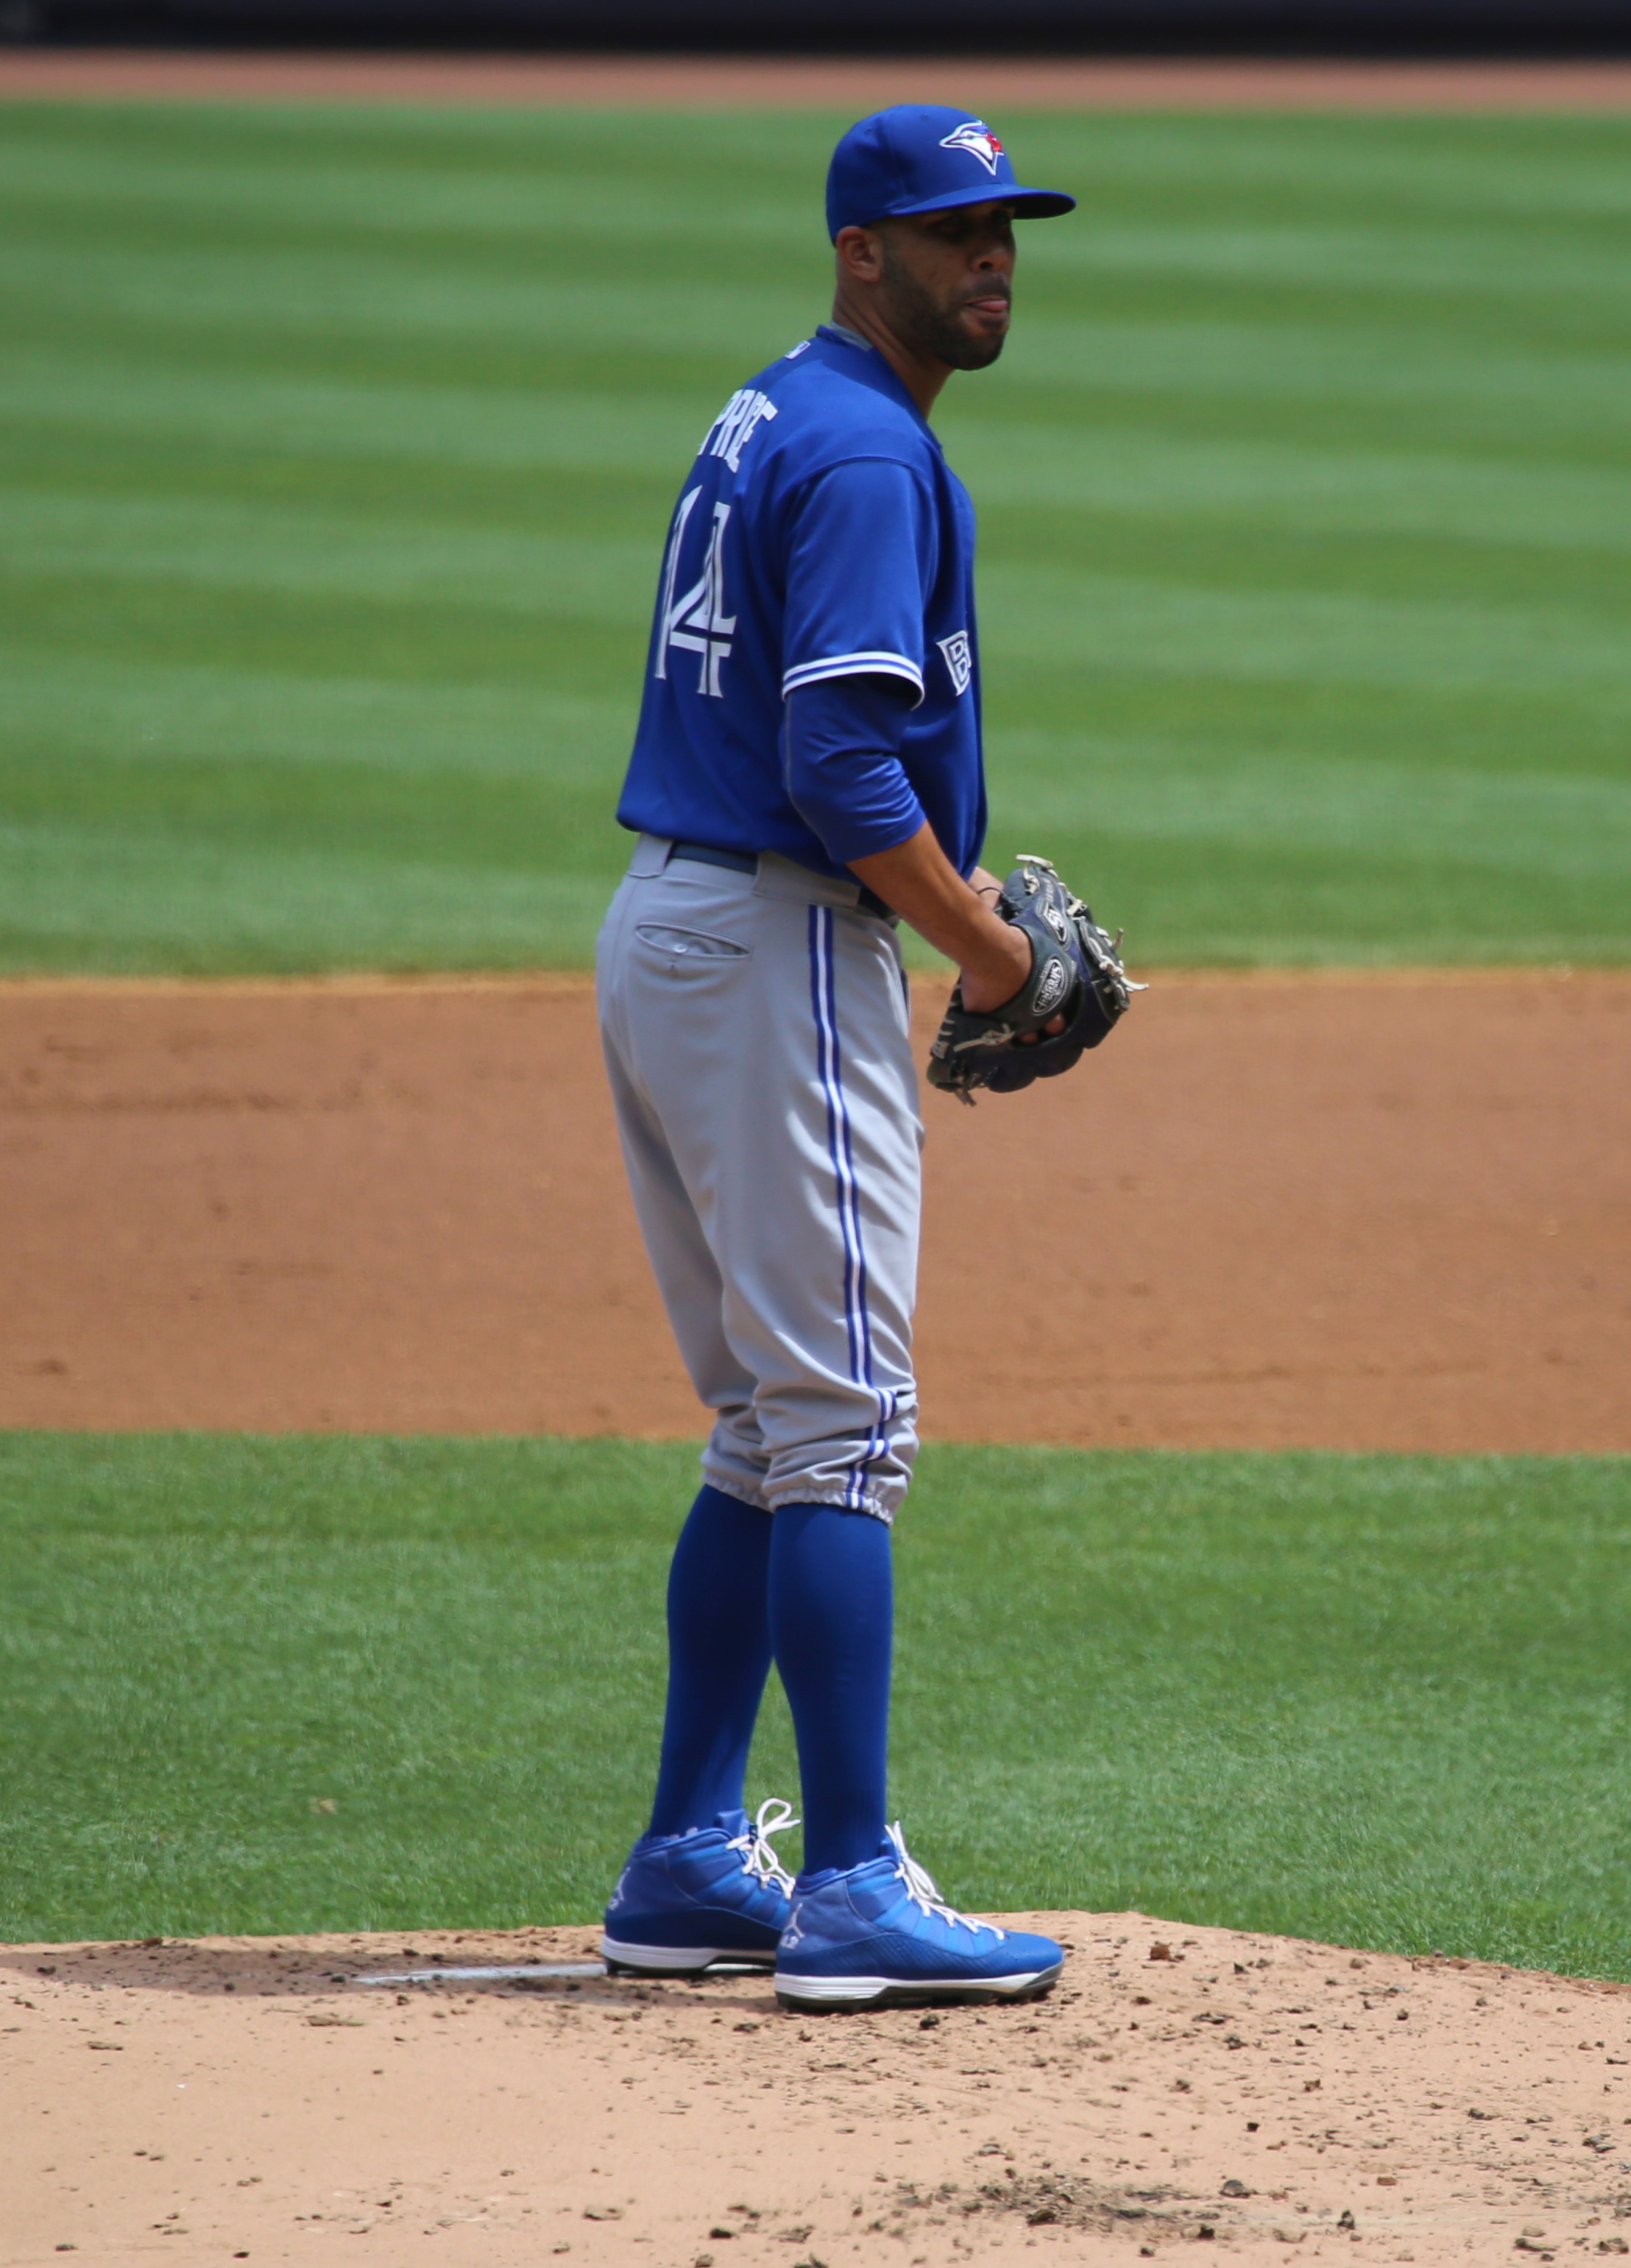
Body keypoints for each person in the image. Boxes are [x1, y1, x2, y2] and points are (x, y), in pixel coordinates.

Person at [595, 106, 1075, 2011]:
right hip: (784, 930)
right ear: (858, 249)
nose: (994, 258)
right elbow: (840, 768)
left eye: (1007, 228)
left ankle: (690, 1855)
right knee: (849, 1428)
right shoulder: (874, 451)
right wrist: (992, 949)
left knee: (766, 1428)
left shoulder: (772, 410)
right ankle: (856, 1882)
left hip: (674, 929)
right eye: (951, 230)